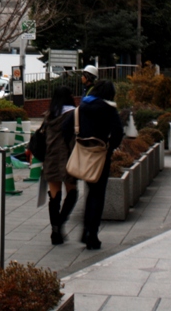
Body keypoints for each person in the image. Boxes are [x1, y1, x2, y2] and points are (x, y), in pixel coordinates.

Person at [64, 79, 124, 250]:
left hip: (82, 155)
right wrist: (109, 148)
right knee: (97, 195)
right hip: (100, 157)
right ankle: (91, 234)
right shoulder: (110, 110)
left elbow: (65, 128)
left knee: (89, 192)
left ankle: (86, 230)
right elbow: (118, 132)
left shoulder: (81, 108)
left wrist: (75, 144)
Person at [43, 86, 78, 245]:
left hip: (51, 159)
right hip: (68, 159)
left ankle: (54, 231)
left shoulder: (48, 116)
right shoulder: (73, 115)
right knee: (72, 191)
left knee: (54, 195)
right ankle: (61, 223)